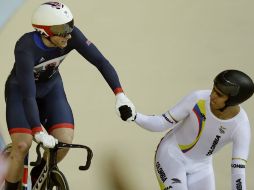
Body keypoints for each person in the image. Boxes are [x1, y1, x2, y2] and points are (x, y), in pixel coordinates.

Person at [4, 1, 135, 189]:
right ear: (45, 32)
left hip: (51, 88)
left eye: (70, 25)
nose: (68, 33)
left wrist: (120, 94)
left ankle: (39, 172)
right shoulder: (25, 47)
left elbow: (100, 61)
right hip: (22, 91)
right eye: (62, 30)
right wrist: (37, 130)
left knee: (63, 142)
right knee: (22, 146)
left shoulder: (71, 36)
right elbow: (28, 95)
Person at [132, 70, 254, 190]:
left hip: (201, 167)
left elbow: (238, 171)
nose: (212, 95)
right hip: (171, 154)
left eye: (219, 94)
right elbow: (163, 123)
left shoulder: (241, 126)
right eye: (213, 89)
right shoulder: (198, 99)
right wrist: (135, 116)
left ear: (232, 101)